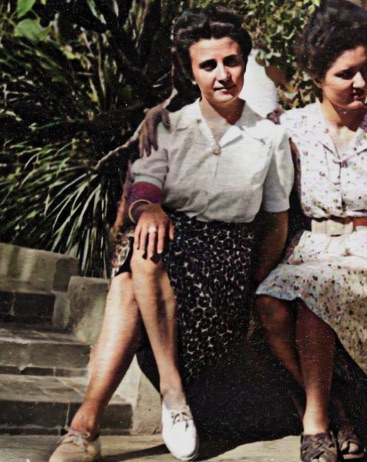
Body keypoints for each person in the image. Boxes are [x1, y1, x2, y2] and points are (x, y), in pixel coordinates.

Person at [48, 6, 293, 462]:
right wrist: (150, 208)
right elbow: (143, 188)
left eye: (232, 61)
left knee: (134, 271)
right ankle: (146, 402)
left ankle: (87, 429)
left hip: (225, 267)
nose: (222, 75)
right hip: (165, 251)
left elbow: (275, 221)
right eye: (208, 65)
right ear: (192, 72)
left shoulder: (270, 138)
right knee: (140, 258)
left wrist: (258, 286)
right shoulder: (166, 126)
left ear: (245, 62)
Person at [254, 2, 367, 461]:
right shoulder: (290, 128)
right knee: (269, 303)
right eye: (345, 74)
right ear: (317, 76)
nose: (361, 83)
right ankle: (335, 412)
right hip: (313, 247)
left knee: (316, 294)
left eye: (364, 70)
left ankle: (314, 425)